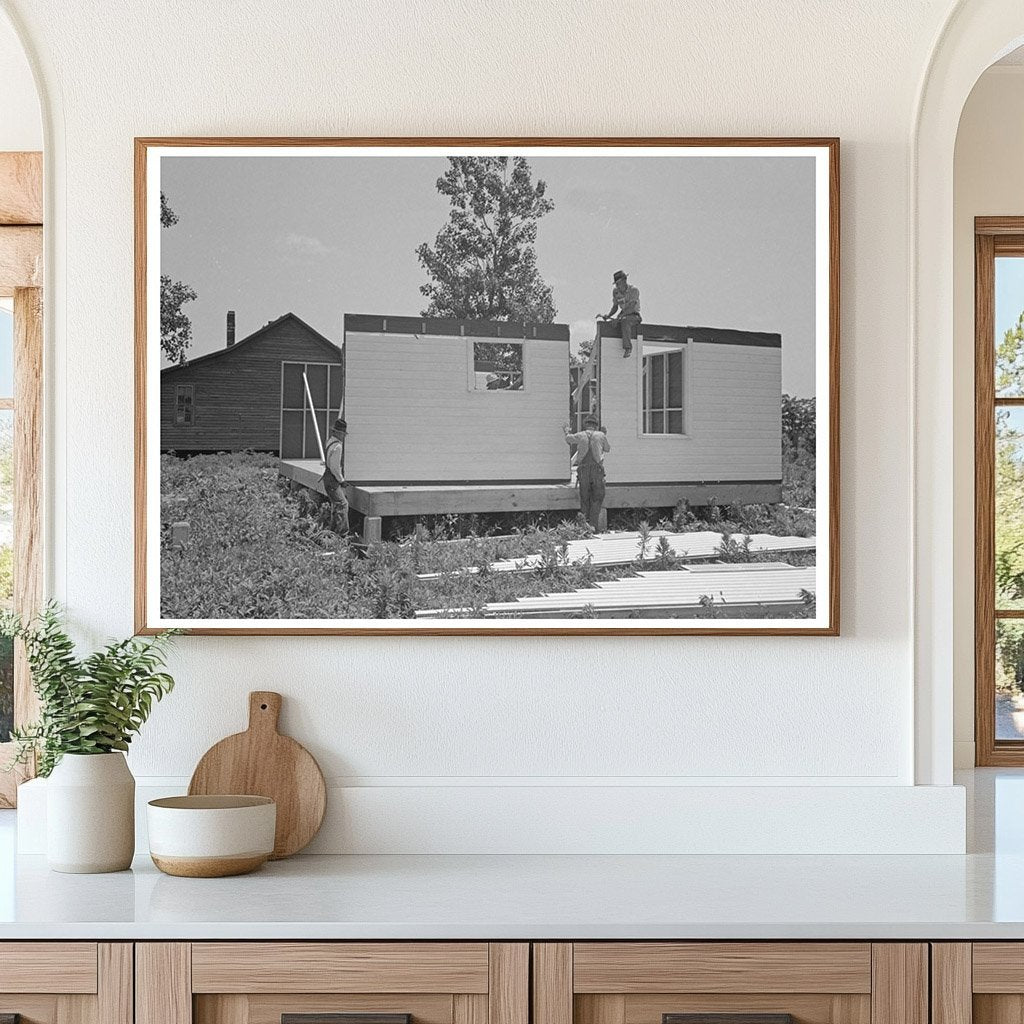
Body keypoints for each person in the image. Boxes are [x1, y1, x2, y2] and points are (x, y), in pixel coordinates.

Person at [563, 415, 610, 531]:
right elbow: (607, 449)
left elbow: (568, 439)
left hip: (583, 470)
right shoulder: (601, 435)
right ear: (596, 425)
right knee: (597, 497)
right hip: (597, 470)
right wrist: (604, 435)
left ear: (586, 424)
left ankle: (584, 527)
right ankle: (593, 526)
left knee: (584, 498)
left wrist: (566, 431)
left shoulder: (580, 435)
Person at [599, 269, 641, 357]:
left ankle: (628, 347)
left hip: (634, 316)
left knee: (625, 321)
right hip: (623, 315)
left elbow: (631, 307)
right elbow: (615, 307)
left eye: (618, 283)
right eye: (616, 284)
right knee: (614, 324)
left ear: (624, 280)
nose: (617, 286)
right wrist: (608, 315)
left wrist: (619, 317)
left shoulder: (633, 290)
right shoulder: (616, 292)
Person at [319, 417, 349, 534]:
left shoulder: (329, 441)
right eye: (342, 434)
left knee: (336, 504)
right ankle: (342, 534)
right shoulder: (338, 446)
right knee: (343, 504)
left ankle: (333, 531)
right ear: (337, 433)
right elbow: (334, 467)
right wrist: (341, 480)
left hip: (327, 477)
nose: (343, 436)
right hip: (332, 479)